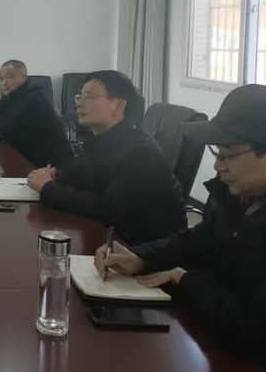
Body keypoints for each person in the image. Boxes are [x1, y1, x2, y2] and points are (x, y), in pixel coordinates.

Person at [94, 84, 266, 369]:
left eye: (228, 155)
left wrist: (185, 279)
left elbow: (253, 331)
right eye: (217, 153)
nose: (217, 167)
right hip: (212, 342)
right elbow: (198, 241)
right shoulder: (236, 195)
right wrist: (141, 257)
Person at [26, 70, 186, 245]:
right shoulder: (103, 140)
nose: (78, 103)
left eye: (89, 97)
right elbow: (78, 173)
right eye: (79, 96)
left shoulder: (141, 152)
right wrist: (55, 177)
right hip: (112, 236)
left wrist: (48, 188)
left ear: (118, 105)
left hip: (145, 249)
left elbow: (107, 209)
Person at [0, 60, 73, 167]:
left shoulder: (34, 100)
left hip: (54, 168)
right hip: (29, 161)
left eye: (9, 77)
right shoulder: (10, 98)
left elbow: (7, 132)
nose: (4, 83)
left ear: (24, 78)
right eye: (1, 79)